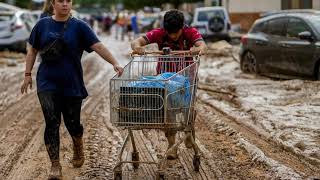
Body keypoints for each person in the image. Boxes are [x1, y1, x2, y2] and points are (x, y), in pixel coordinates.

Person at [20, 0, 123, 179]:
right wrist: (27, 74)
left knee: (72, 123)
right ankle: (55, 165)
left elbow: (98, 46)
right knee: (52, 123)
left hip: (72, 83)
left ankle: (77, 143)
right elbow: (32, 51)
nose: (65, 4)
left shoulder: (80, 27)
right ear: (53, 3)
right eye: (61, 0)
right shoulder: (42, 25)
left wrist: (115, 63)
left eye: (68, 0)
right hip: (47, 83)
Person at [131, 9, 207, 159]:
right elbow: (137, 41)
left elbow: (203, 46)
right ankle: (172, 145)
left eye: (175, 33)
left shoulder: (190, 32)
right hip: (165, 79)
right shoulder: (159, 33)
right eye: (169, 32)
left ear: (182, 27)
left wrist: (196, 49)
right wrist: (137, 47)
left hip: (186, 77)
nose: (172, 36)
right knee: (168, 112)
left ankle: (188, 130)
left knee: (188, 109)